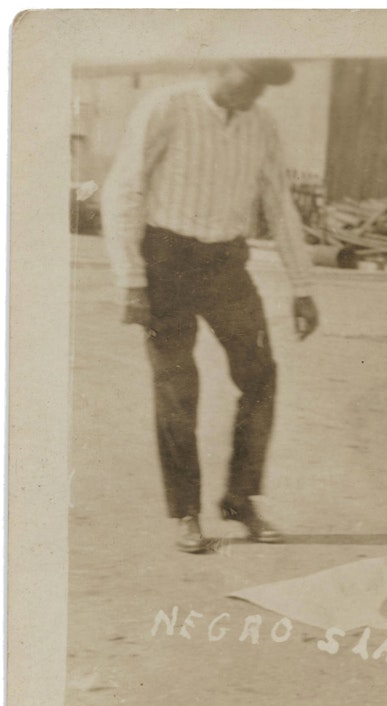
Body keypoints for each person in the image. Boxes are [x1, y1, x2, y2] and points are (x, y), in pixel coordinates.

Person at [102, 59, 319, 553]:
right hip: (166, 260)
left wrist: (302, 286)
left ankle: (240, 498)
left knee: (260, 375)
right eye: (250, 80)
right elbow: (124, 189)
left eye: (265, 86)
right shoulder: (167, 107)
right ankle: (187, 512)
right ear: (222, 65)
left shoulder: (260, 122)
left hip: (226, 263)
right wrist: (131, 280)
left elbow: (278, 202)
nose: (256, 94)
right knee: (178, 387)